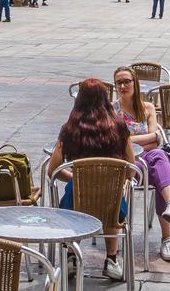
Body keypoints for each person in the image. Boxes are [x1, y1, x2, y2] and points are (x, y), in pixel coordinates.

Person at [48, 79, 135, 281]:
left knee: (72, 202)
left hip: (76, 201)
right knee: (112, 199)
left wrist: (74, 177)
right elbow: (131, 169)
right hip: (112, 202)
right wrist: (117, 179)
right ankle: (111, 259)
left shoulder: (70, 129)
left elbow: (53, 170)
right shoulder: (119, 127)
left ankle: (70, 257)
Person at [112, 68, 170, 264]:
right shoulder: (112, 110)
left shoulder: (148, 108)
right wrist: (147, 138)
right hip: (126, 163)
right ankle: (165, 234)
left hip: (148, 158)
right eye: (118, 83)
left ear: (135, 82)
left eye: (126, 81)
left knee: (161, 158)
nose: (122, 86)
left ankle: (169, 220)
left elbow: (156, 143)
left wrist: (130, 139)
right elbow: (118, 142)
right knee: (158, 165)